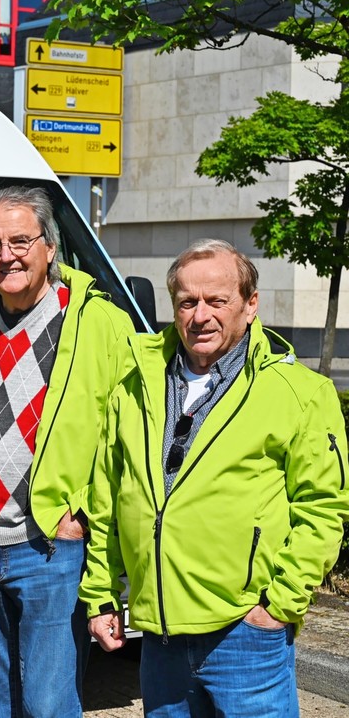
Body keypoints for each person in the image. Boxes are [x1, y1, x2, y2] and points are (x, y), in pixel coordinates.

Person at [82, 239, 349, 717]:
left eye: (216, 300)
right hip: (160, 642)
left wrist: (278, 607)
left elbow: (324, 509)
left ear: (250, 305)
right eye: (187, 302)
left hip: (245, 637)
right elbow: (107, 499)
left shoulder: (300, 393)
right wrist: (101, 595)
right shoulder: (134, 383)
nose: (200, 314)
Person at [0, 186, 135, 717]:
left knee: (48, 702)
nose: (5, 255)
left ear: (50, 246)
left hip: (49, 546)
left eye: (19, 240)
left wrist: (85, 513)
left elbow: (126, 434)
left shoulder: (97, 323)